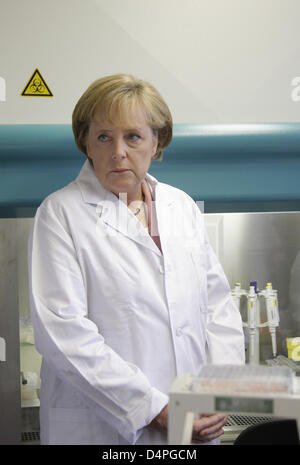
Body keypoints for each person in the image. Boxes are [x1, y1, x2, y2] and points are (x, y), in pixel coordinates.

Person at [28, 73, 245, 445]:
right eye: (103, 137)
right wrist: (154, 409)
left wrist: (219, 390)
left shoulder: (181, 207)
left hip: (193, 422)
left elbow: (217, 307)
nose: (118, 152)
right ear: (86, 143)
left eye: (132, 136)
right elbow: (63, 332)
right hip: (106, 430)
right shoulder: (60, 213)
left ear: (156, 141)